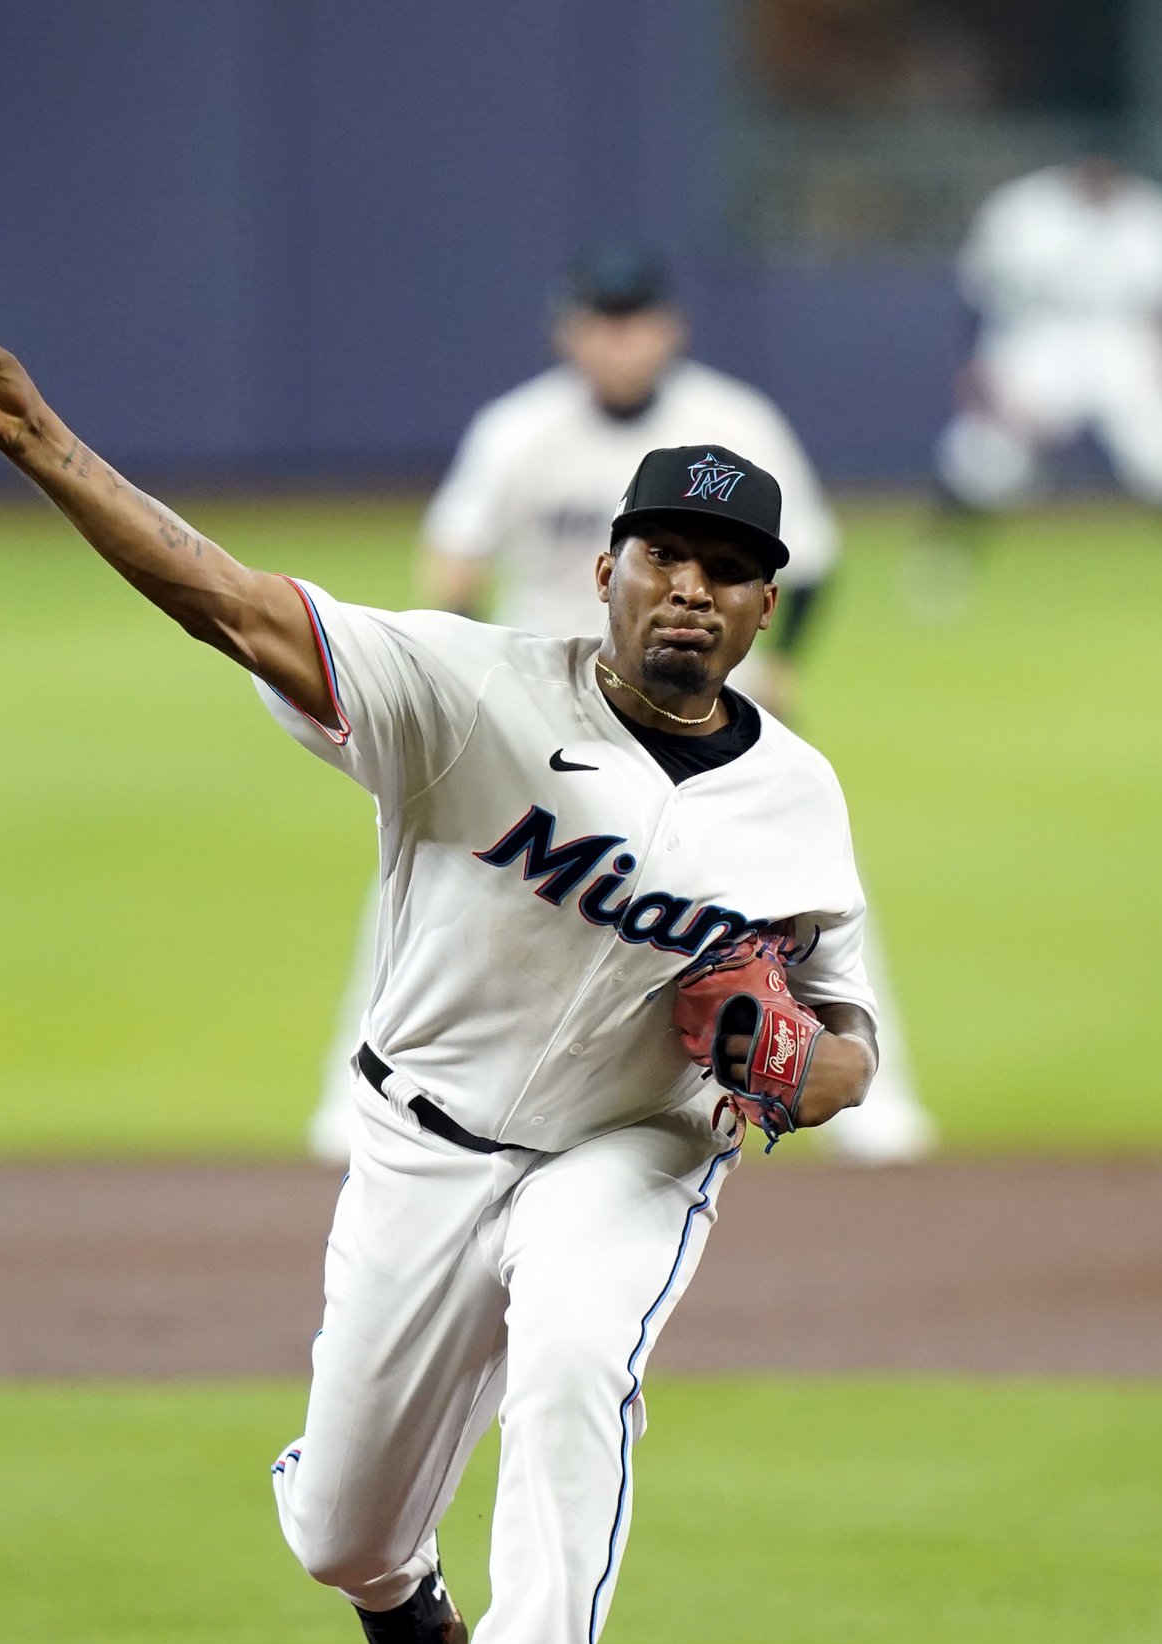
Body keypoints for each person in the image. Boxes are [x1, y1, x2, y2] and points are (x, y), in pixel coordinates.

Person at [0, 305, 887, 1644]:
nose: (692, 587)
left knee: (581, 1359)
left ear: (767, 601)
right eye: (666, 552)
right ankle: (392, 1577)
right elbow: (224, 601)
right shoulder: (463, 692)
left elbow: (843, 1036)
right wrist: (42, 445)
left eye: (729, 564)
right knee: (340, 1522)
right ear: (606, 568)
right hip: (424, 1141)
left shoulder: (799, 797)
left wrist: (794, 1067)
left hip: (629, 1150)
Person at [306, 246, 937, 1165]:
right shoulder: (517, 431)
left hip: (698, 699)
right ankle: (347, 1090)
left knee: (810, 887)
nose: (617, 341)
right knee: (426, 870)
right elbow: (452, 563)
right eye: (599, 322)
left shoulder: (731, 421)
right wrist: (466, 686)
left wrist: (787, 663)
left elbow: (815, 554)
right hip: (548, 699)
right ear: (569, 332)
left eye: (633, 321)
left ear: (667, 329)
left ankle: (873, 1094)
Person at [923, 155, 1162, 601]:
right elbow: (976, 300)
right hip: (1039, 338)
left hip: (1127, 341)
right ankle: (943, 564)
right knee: (988, 453)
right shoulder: (1021, 209)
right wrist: (976, 375)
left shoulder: (1158, 214)